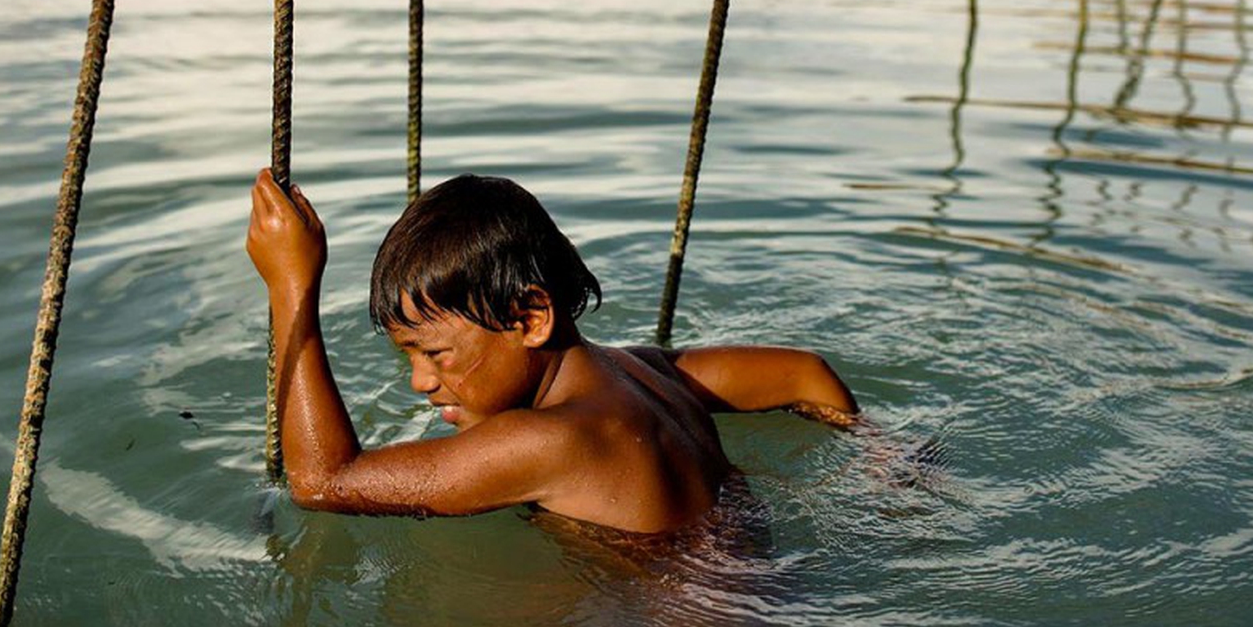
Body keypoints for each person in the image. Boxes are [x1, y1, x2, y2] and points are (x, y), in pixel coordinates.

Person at [246, 169, 859, 534]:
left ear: (531, 318)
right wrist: (877, 456)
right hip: (760, 603)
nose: (420, 381)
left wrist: (291, 288)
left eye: (435, 354)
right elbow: (803, 372)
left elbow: (323, 482)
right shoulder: (646, 370)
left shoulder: (547, 441)